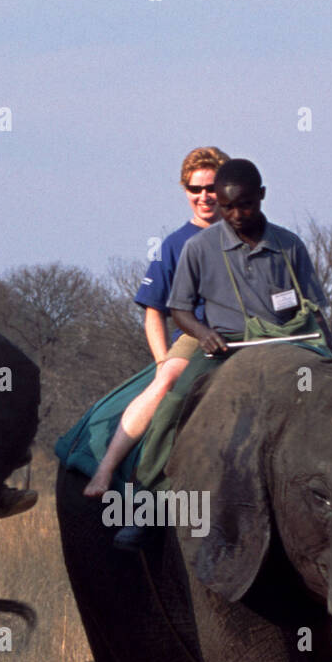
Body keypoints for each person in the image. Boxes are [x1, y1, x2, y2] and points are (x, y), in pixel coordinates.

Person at [113, 157, 332, 548]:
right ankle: (142, 505)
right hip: (226, 347)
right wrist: (203, 334)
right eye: (228, 206)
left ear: (262, 196)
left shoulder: (289, 245)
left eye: (245, 205)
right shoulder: (198, 248)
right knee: (172, 401)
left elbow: (314, 308)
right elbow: (179, 309)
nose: (236, 214)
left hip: (289, 343)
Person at [83, 146, 228, 497]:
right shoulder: (175, 245)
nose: (205, 197)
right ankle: (106, 472)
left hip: (248, 333)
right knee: (165, 383)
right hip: (197, 335)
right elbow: (153, 311)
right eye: (196, 190)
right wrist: (163, 360)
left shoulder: (245, 234)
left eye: (211, 188)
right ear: (185, 192)